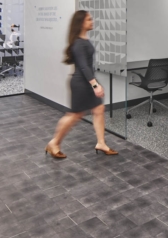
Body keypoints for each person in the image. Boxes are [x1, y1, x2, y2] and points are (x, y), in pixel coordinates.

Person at [45, 10, 118, 159]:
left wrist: (94, 83)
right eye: (89, 19)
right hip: (80, 83)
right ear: (81, 23)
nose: (92, 21)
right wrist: (95, 85)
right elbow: (84, 67)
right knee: (75, 115)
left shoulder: (84, 40)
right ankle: (54, 142)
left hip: (86, 81)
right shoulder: (78, 43)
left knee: (99, 109)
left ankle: (101, 143)